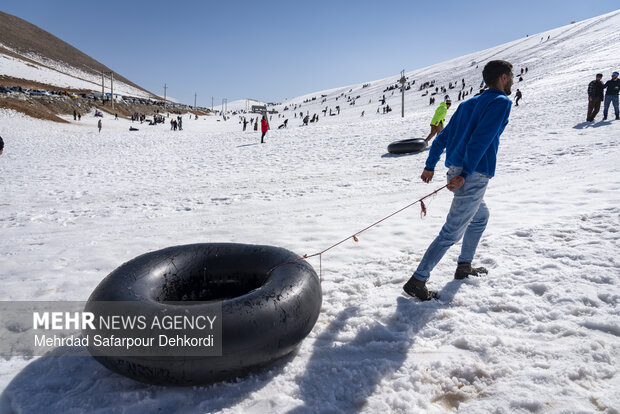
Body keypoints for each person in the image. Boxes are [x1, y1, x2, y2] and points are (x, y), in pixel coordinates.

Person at [403, 60, 514, 301]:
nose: (513, 79)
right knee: (452, 231)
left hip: (458, 169)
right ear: (503, 77)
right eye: (511, 76)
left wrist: (430, 165)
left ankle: (464, 266)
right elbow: (481, 139)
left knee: (480, 217)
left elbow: (442, 139)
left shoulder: (468, 103)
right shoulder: (501, 102)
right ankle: (418, 280)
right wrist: (465, 174)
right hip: (472, 173)